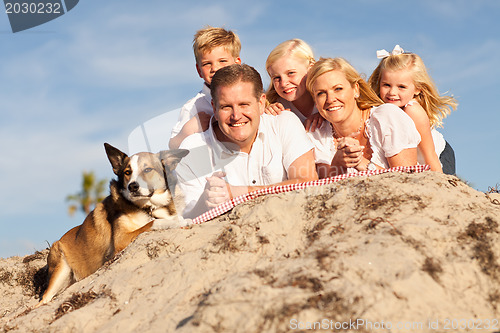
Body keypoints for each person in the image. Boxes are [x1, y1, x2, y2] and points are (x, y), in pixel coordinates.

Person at [176, 64, 318, 218]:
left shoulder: (284, 123)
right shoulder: (193, 149)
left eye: (244, 104)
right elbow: (186, 219)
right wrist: (204, 203)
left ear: (261, 103)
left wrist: (239, 193)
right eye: (226, 107)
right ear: (214, 109)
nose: (236, 115)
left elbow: (308, 182)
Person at [305, 57, 421, 178]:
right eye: (321, 93)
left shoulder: (387, 117)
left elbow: (407, 180)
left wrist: (359, 162)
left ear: (356, 89)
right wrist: (337, 164)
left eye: (338, 89)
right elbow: (324, 192)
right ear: (315, 101)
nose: (330, 99)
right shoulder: (316, 136)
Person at [368, 45, 458, 174]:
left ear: (417, 89)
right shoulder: (381, 110)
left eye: (401, 87)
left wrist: (441, 182)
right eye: (386, 85)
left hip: (438, 155)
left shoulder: (412, 111)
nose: (392, 92)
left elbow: (430, 155)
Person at [169, 26, 242, 149]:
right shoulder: (193, 107)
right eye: (207, 64)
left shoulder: (250, 94)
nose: (215, 68)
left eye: (222, 61)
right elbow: (173, 146)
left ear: (237, 63)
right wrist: (187, 131)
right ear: (199, 70)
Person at [265, 39, 323, 131]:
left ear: (310, 69)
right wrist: (266, 114)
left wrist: (327, 114)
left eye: (291, 73)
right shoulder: (275, 108)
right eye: (276, 78)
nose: (283, 83)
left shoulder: (327, 99)